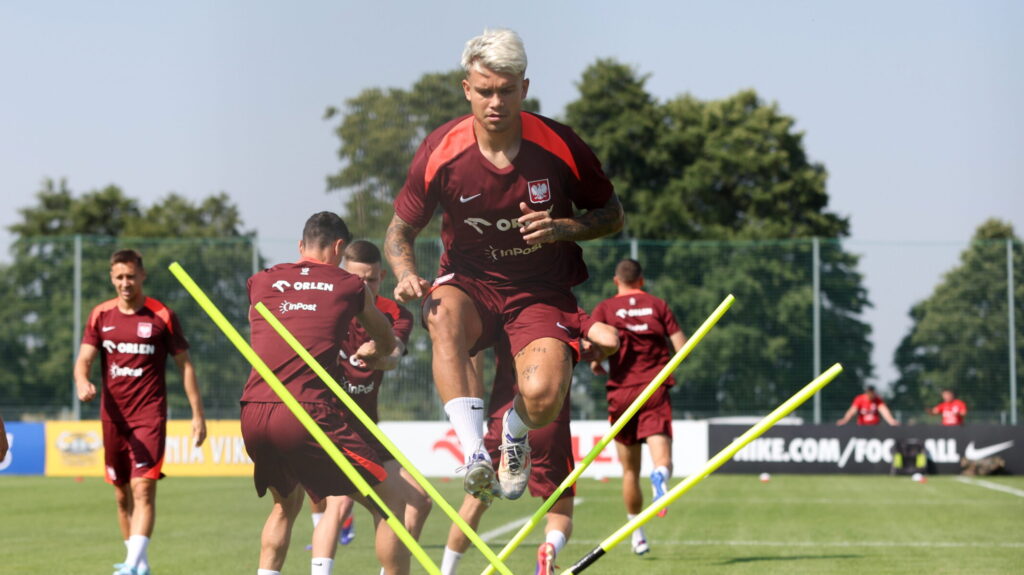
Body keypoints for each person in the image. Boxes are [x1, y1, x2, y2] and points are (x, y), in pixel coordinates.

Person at [385, 28, 624, 502]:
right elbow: (399, 231)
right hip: (471, 286)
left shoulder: (560, 144)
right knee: (440, 309)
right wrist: (405, 273)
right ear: (467, 89)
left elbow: (613, 214)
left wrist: (563, 228)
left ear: (525, 89)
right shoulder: (441, 149)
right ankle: (475, 452)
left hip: (541, 291)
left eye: (507, 90)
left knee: (543, 396)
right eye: (485, 90)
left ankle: (513, 433)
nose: (496, 102)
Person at [240, 212, 408, 575]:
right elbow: (385, 337)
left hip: (254, 410)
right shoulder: (348, 284)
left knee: (285, 506)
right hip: (306, 412)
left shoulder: (260, 281)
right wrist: (380, 353)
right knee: (393, 501)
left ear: (301, 246)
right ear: (338, 247)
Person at [440, 312, 619, 575]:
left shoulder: (504, 310)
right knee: (561, 511)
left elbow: (468, 347)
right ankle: (549, 548)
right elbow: (610, 338)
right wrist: (591, 345)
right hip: (547, 425)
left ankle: (447, 572)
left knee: (473, 505)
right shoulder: (566, 314)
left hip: (503, 420)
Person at [73, 249, 207, 575]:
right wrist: (81, 381)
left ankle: (131, 564)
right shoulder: (100, 315)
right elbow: (84, 361)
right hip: (112, 418)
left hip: (149, 415)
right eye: (119, 277)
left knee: (143, 488)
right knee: (121, 497)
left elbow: (185, 366)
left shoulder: (161, 315)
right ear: (111, 278)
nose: (125, 283)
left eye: (131, 276)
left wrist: (197, 414)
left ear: (142, 276)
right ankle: (138, 563)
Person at [305, 240, 431, 550]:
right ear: (343, 274)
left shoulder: (397, 314)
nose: (364, 286)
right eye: (357, 279)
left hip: (366, 427)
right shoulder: (327, 310)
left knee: (420, 501)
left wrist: (380, 356)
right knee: (339, 504)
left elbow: (394, 356)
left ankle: (392, 569)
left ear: (383, 277)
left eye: (371, 279)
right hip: (330, 422)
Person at [590, 259, 686, 556]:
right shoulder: (658, 305)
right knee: (662, 460)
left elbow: (597, 348)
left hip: (621, 393)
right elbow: (682, 346)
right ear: (641, 280)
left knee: (630, 471)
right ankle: (661, 476)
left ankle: (638, 536)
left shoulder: (605, 309)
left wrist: (596, 362)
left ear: (615, 280)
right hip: (654, 387)